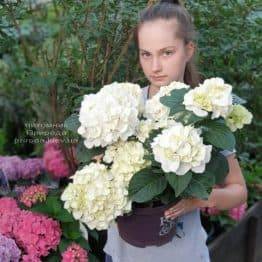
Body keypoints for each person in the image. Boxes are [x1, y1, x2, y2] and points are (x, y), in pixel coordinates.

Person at [103, 1, 248, 261]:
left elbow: (238, 190)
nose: (155, 66)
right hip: (124, 252)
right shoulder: (124, 106)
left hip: (183, 254)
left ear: (188, 50)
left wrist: (199, 200)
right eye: (146, 54)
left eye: (166, 52)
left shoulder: (206, 112)